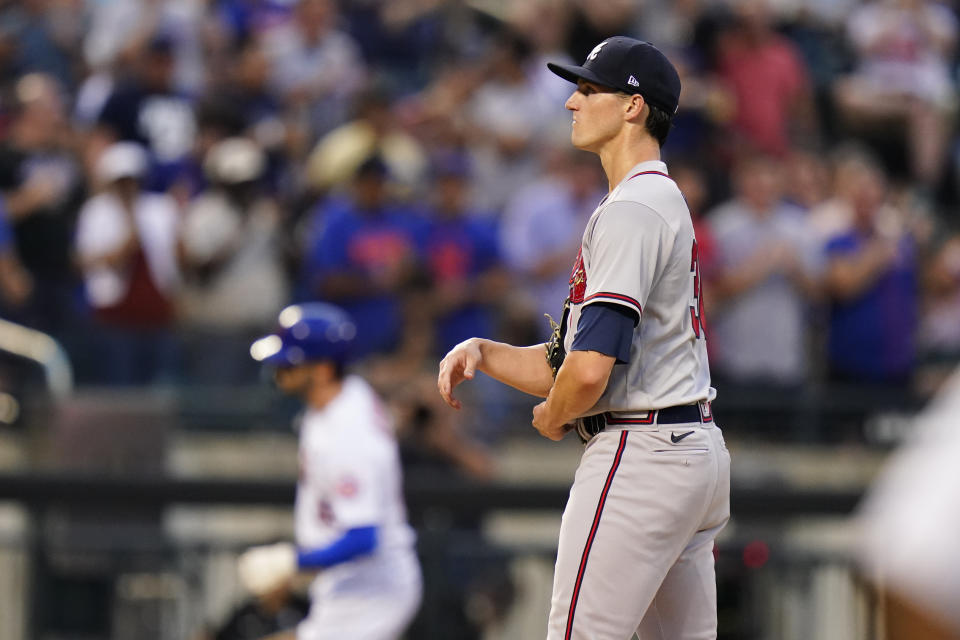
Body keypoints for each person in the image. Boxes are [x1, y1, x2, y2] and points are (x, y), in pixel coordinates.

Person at [438, 36, 731, 639]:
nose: (572, 102)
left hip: (639, 451)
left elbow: (590, 369)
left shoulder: (633, 208)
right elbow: (573, 359)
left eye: (588, 89)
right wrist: (488, 354)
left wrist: (553, 414)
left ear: (632, 106)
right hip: (686, 446)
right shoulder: (657, 199)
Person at [241, 302, 422, 640]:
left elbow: (363, 536)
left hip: (371, 591)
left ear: (323, 369)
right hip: (348, 584)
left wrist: (290, 563)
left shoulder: (349, 432)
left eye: (291, 362)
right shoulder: (337, 401)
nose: (280, 369)